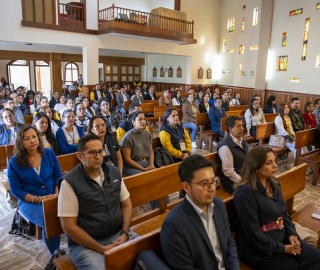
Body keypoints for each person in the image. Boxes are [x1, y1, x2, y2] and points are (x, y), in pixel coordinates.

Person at [233, 146, 320, 270]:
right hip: (258, 248)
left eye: (274, 160)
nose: (275, 165)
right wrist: (283, 249)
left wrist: (292, 235)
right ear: (256, 167)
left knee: (316, 258)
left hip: (281, 235)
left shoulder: (273, 183)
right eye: (269, 163)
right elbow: (252, 234)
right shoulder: (245, 193)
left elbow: (284, 213)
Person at [58, 134, 132, 270]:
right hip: (86, 245)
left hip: (119, 234)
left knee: (147, 255)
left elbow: (126, 204)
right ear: (80, 156)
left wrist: (125, 232)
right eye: (92, 153)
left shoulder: (114, 172)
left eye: (100, 151)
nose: (98, 156)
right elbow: (68, 226)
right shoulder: (70, 182)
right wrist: (100, 248)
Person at [160, 154, 240, 270]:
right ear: (186, 187)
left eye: (213, 181)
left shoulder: (218, 205)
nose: (212, 188)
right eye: (204, 184)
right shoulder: (174, 225)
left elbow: (229, 243)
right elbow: (185, 268)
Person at [8, 125, 62, 255]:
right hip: (29, 201)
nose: (32, 141)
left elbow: (58, 177)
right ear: (20, 142)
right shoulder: (14, 162)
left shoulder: (48, 153)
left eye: (34, 137)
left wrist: (56, 194)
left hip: (53, 195)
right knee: (48, 220)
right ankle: (55, 254)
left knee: (72, 213)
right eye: (27, 139)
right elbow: (15, 190)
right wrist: (38, 199)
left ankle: (74, 250)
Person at [218, 116, 249, 194]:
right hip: (232, 182)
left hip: (244, 176)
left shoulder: (242, 141)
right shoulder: (225, 147)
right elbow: (229, 172)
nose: (242, 128)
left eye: (242, 125)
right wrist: (244, 182)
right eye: (238, 126)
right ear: (230, 129)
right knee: (252, 192)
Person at [120, 111, 154, 176]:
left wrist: (151, 165)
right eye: (140, 119)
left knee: (156, 175)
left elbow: (151, 151)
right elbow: (127, 159)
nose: (143, 121)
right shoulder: (128, 137)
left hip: (146, 162)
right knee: (145, 177)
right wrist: (143, 169)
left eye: (144, 119)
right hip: (133, 166)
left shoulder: (147, 133)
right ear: (133, 122)